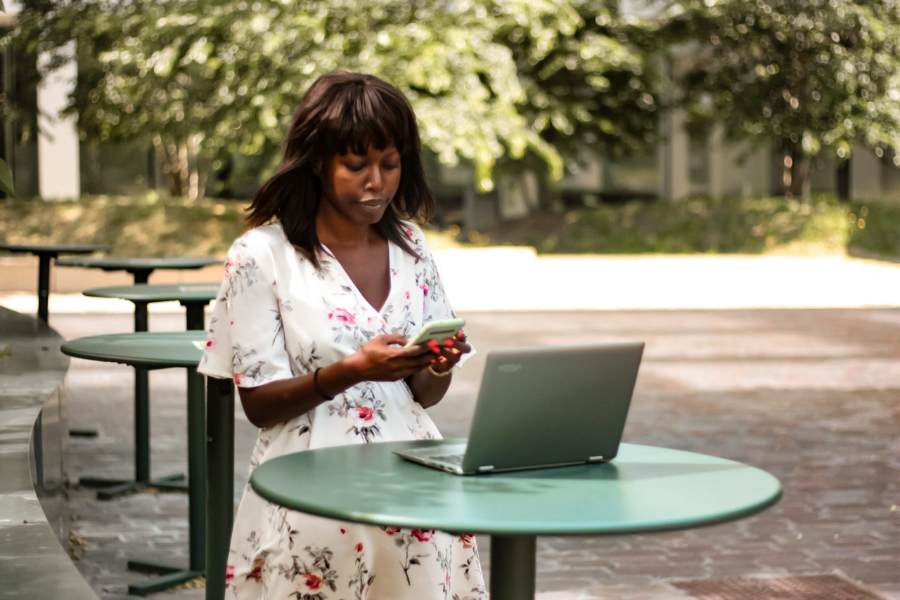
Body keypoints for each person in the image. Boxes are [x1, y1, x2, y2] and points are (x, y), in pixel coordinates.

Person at [198, 72, 486, 599]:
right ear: (317, 162)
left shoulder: (412, 247)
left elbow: (423, 396)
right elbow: (259, 404)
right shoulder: (261, 256)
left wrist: (437, 361)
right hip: (309, 488)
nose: (375, 181)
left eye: (390, 163)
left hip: (414, 484)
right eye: (355, 165)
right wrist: (353, 371)